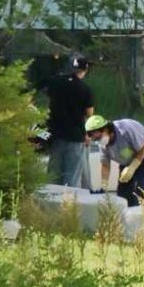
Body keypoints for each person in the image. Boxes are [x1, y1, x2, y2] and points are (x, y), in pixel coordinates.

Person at [85, 114, 144, 207]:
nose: (99, 141)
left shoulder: (125, 130)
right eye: (95, 140)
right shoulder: (103, 144)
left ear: (106, 129)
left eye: (99, 138)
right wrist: (104, 186)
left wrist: (132, 167)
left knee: (142, 187)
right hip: (127, 160)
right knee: (123, 191)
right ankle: (129, 212)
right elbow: (105, 164)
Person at [45, 55, 94, 188]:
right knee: (71, 179)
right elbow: (89, 114)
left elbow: (49, 101)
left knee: (53, 176)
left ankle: (51, 199)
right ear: (86, 69)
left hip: (56, 135)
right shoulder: (85, 89)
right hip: (76, 137)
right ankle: (68, 201)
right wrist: (88, 134)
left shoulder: (56, 83)